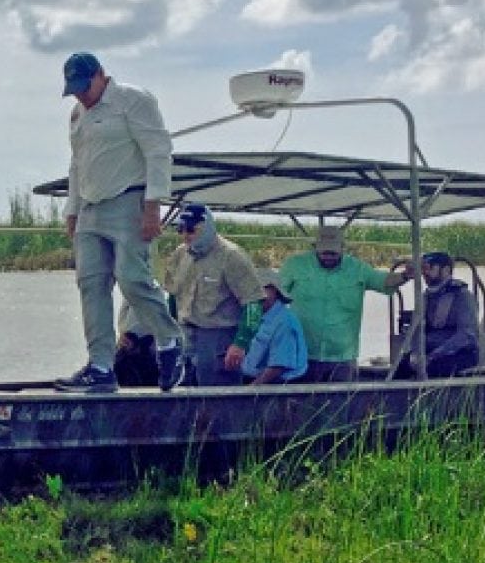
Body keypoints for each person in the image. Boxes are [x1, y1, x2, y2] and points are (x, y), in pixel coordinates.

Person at [53, 51, 185, 394]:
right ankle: (100, 366)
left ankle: (169, 341)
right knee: (90, 283)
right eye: (74, 89)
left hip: (131, 199)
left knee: (132, 277)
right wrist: (72, 208)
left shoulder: (133, 100)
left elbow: (158, 151)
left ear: (100, 75)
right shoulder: (77, 114)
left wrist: (153, 205)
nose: (81, 94)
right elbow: (77, 163)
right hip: (90, 207)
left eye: (84, 86)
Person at [279, 226, 413, 382]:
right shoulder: (295, 265)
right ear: (315, 248)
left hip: (343, 359)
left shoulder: (358, 268)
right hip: (301, 354)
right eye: (324, 253)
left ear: (343, 248)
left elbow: (382, 281)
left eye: (333, 253)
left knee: (342, 404)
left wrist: (405, 275)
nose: (328, 257)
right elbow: (274, 295)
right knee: (300, 403)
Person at [162, 203, 265, 386]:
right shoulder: (180, 254)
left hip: (219, 337)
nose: (185, 235)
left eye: (191, 229)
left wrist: (241, 343)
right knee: (182, 392)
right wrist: (171, 330)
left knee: (217, 400)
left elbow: (253, 302)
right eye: (181, 229)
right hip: (185, 334)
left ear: (207, 227)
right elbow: (172, 294)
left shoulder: (232, 256)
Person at [395, 252, 480, 378]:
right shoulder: (426, 296)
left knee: (431, 369)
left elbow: (466, 335)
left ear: (445, 270)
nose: (425, 273)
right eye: (424, 269)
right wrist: (414, 353)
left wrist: (433, 355)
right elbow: (418, 329)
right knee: (401, 369)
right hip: (430, 351)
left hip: (460, 353)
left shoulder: (462, 295)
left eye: (430, 268)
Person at [242, 269, 308, 384]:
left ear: (275, 291)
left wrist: (250, 391)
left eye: (262, 289)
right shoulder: (253, 313)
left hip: (277, 384)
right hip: (251, 377)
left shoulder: (284, 322)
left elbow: (278, 367)